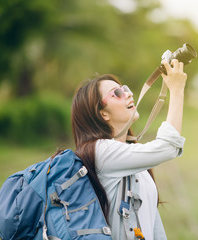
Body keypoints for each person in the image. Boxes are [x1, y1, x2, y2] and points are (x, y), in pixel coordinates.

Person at [70, 59, 187, 240]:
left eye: (125, 88)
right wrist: (177, 90)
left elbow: (152, 225)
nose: (128, 93)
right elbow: (167, 146)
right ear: (103, 114)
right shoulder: (100, 151)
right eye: (117, 93)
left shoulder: (130, 151)